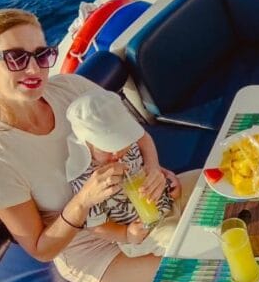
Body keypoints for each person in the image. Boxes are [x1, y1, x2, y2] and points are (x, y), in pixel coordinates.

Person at [0, 8, 194, 282]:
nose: (33, 69)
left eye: (41, 55)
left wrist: (155, 170)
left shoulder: (71, 88)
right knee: (199, 276)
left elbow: (136, 137)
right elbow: (41, 249)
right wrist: (83, 201)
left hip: (143, 205)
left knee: (229, 190)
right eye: (16, 58)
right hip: (92, 248)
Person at [64, 89, 179, 258]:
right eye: (107, 147)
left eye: (121, 142)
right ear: (85, 144)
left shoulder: (124, 144)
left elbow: (144, 138)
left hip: (166, 203)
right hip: (145, 231)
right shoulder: (86, 180)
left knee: (204, 182)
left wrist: (153, 166)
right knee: (177, 239)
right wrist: (125, 234)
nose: (117, 152)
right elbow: (95, 226)